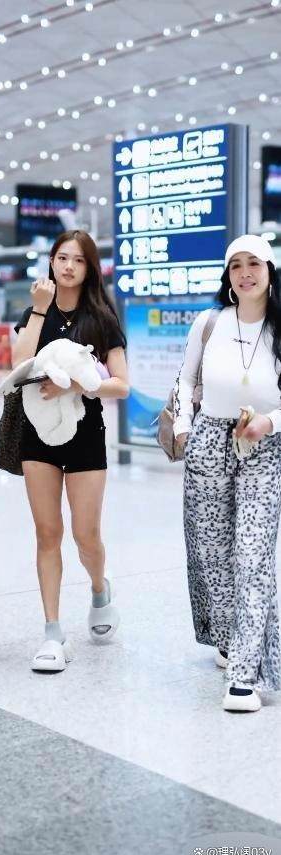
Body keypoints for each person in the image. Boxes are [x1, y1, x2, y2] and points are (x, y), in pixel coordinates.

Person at [173, 234, 281, 712]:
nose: (245, 272)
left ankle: (244, 675)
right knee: (213, 555)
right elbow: (185, 378)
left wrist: (268, 423)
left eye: (254, 263)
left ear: (270, 271)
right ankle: (231, 637)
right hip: (209, 442)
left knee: (253, 556)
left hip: (264, 445)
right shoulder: (210, 322)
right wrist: (183, 426)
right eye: (236, 265)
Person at [12, 230, 129, 672]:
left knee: (85, 535)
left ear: (89, 268)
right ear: (51, 262)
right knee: (47, 533)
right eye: (62, 257)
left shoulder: (101, 318)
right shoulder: (34, 312)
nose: (68, 266)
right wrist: (39, 309)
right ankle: (52, 631)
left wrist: (76, 385)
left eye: (78, 260)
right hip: (37, 434)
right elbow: (18, 364)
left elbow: (121, 384)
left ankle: (99, 588)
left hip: (85, 435)